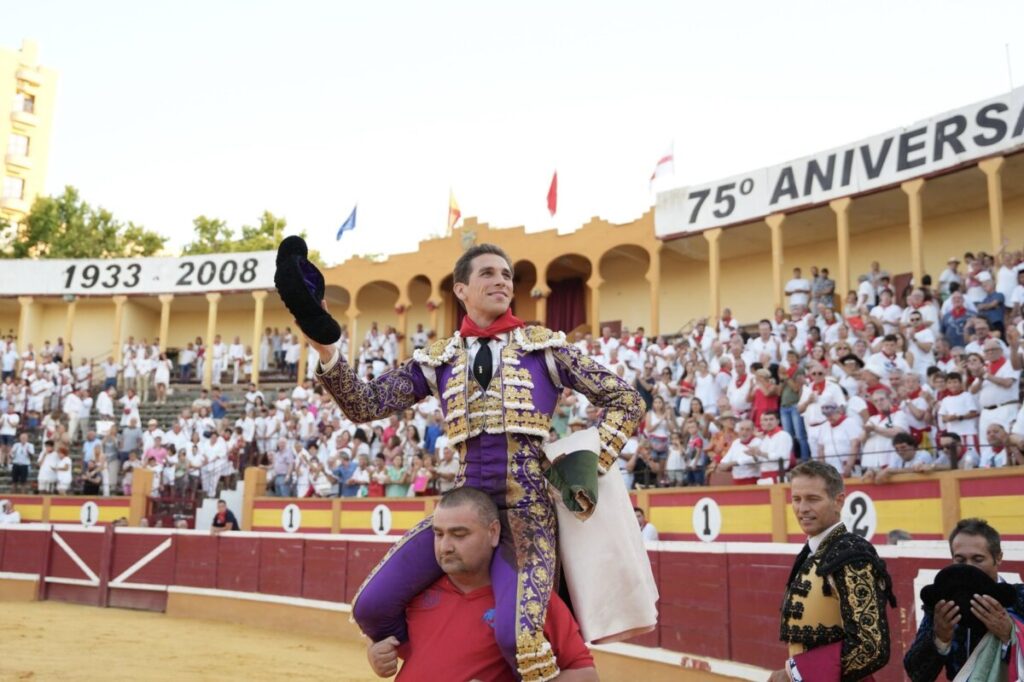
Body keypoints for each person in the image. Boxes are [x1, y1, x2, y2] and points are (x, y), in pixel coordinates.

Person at [302, 242, 647, 679]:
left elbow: (627, 400)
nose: (501, 281)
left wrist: (588, 465)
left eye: (507, 275)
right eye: (488, 273)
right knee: (371, 606)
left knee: (519, 638)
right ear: (461, 289)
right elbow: (365, 404)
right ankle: (431, 655)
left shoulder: (545, 348)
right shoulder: (438, 359)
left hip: (529, 515)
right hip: (464, 509)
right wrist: (326, 351)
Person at [366, 487, 596, 681]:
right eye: (439, 534)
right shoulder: (414, 591)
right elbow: (395, 644)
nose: (445, 547)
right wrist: (375, 653)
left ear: (493, 532)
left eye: (459, 534)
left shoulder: (529, 597)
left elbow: (586, 675)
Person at [772, 461, 894, 682]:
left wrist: (796, 674)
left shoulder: (852, 555)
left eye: (813, 499)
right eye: (796, 499)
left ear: (838, 501)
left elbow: (870, 647)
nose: (802, 508)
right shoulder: (814, 551)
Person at [904, 518, 1024, 681]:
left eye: (978, 559)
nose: (968, 567)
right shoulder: (943, 603)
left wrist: (1011, 635)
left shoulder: (1020, 598)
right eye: (960, 560)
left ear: (998, 558)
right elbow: (917, 673)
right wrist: (940, 639)